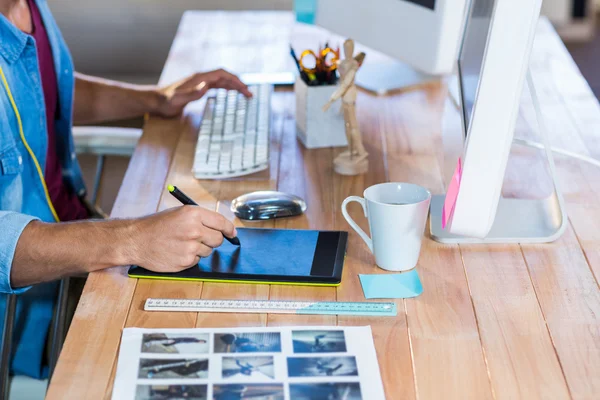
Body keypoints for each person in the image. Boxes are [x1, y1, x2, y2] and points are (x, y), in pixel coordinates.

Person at [0, 0, 252, 379]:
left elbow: (45, 88)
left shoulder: (25, 6)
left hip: (78, 241)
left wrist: (155, 100)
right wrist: (130, 238)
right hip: (30, 309)